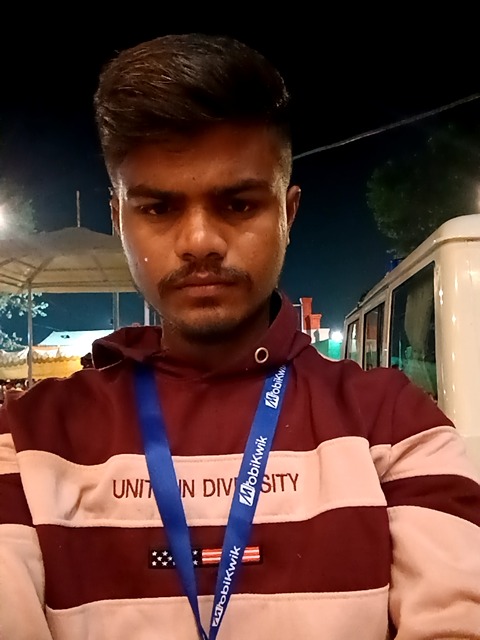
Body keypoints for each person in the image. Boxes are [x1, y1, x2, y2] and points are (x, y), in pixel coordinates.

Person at [1, 34, 479, 640]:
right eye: (159, 209)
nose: (200, 241)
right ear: (119, 220)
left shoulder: (395, 425)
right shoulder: (29, 440)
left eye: (239, 204)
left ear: (289, 213)